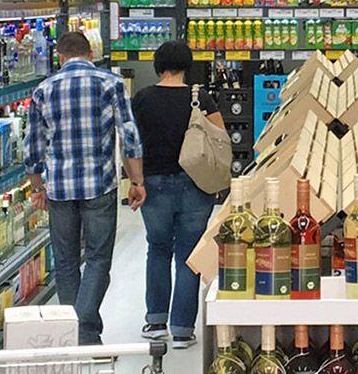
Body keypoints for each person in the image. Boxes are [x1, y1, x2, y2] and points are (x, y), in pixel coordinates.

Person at [26, 32, 147, 345]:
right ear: (91, 53)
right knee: (97, 259)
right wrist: (137, 181)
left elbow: (33, 145)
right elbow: (129, 137)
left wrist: (37, 187)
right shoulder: (111, 84)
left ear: (60, 57)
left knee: (65, 262)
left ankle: (74, 334)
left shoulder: (43, 90)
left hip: (60, 189)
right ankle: (86, 332)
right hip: (99, 186)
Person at [130, 40, 226, 349]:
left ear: (158, 66)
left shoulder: (142, 99)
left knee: (158, 249)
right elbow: (220, 139)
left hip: (154, 184)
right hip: (195, 184)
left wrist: (135, 180)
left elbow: (132, 144)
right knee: (188, 254)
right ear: (187, 65)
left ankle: (156, 322)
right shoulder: (201, 98)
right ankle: (183, 330)